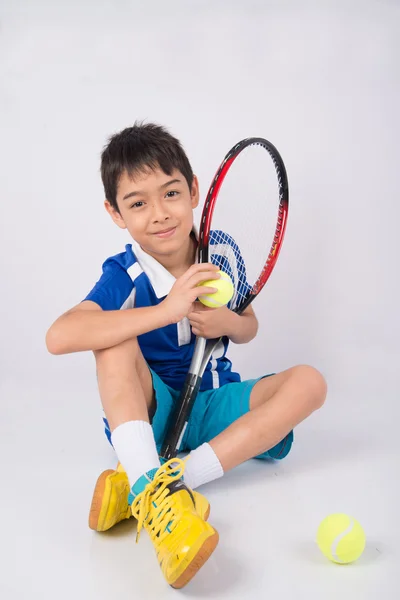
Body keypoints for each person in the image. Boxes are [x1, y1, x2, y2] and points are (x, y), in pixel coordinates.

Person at [46, 122, 327, 589]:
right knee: (110, 342)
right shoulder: (126, 272)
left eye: (171, 193)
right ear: (115, 213)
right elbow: (60, 336)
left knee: (309, 383)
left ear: (194, 191)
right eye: (137, 203)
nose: (159, 214)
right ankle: (155, 492)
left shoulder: (220, 254)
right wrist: (167, 309)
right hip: (152, 414)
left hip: (213, 406)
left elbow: (249, 325)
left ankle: (162, 484)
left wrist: (230, 325)